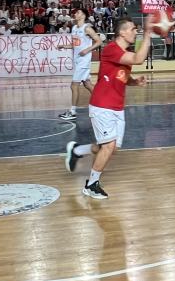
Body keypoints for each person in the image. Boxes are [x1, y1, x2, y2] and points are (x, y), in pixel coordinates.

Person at [64, 16, 154, 199]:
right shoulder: (112, 49)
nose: (135, 32)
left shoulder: (123, 53)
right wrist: (148, 34)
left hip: (117, 107)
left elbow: (122, 76)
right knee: (108, 145)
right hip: (102, 105)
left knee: (110, 148)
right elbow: (138, 59)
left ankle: (77, 151)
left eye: (137, 29)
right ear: (121, 32)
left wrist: (135, 82)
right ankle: (91, 185)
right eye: (132, 29)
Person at [57, 8, 103, 121]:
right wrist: (64, 46)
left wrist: (87, 50)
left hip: (84, 60)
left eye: (78, 12)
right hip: (77, 60)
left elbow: (99, 41)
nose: (75, 14)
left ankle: (72, 112)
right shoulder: (74, 28)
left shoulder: (87, 28)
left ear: (83, 16)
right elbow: (75, 44)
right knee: (87, 84)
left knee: (74, 85)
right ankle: (103, 103)